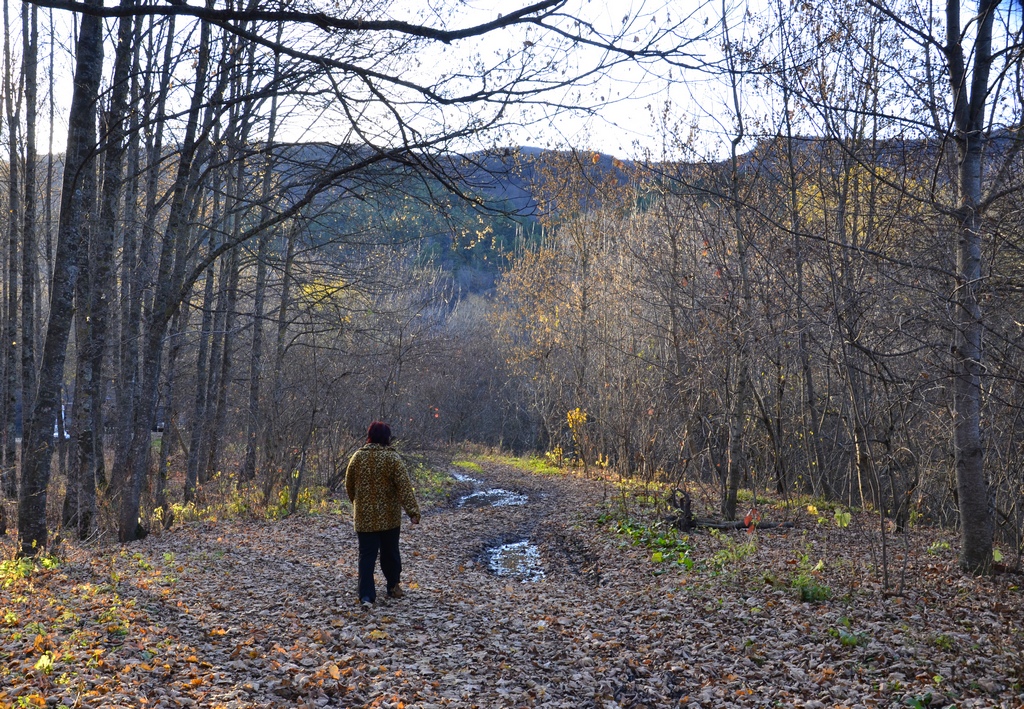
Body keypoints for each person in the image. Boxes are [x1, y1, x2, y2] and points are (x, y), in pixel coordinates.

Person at [345, 421, 421, 606]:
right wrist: (413, 512)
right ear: (387, 438)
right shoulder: (392, 459)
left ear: (369, 436)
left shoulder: (357, 457)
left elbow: (349, 484)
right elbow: (404, 488)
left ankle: (366, 596)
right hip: (389, 518)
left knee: (366, 556)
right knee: (390, 554)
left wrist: (357, 503)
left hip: (364, 518)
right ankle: (393, 586)